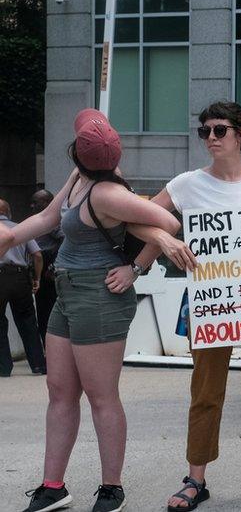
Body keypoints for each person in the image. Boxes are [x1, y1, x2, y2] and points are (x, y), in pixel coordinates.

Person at [110, 101, 241, 511]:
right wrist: (154, 251)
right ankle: (195, 478)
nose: (210, 137)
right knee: (205, 393)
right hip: (212, 305)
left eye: (219, 130)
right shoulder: (187, 184)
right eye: (204, 130)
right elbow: (133, 217)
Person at [8, 108, 190, 512]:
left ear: (75, 150)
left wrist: (135, 268)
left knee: (101, 396)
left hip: (98, 295)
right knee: (59, 392)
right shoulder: (80, 178)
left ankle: (112, 488)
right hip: (68, 291)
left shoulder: (108, 193)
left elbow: (167, 223)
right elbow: (47, 217)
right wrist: (10, 237)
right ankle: (53, 486)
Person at [0, 198, 46, 376]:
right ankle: (38, 365)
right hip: (20, 277)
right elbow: (38, 255)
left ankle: (3, 368)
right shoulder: (20, 228)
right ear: (9, 212)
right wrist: (37, 278)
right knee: (27, 320)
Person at [29, 190, 63, 342]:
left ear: (47, 202)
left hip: (48, 266)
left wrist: (53, 266)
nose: (32, 205)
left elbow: (65, 241)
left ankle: (50, 347)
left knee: (48, 310)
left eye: (36, 202)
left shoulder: (53, 221)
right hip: (38, 265)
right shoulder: (40, 220)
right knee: (42, 310)